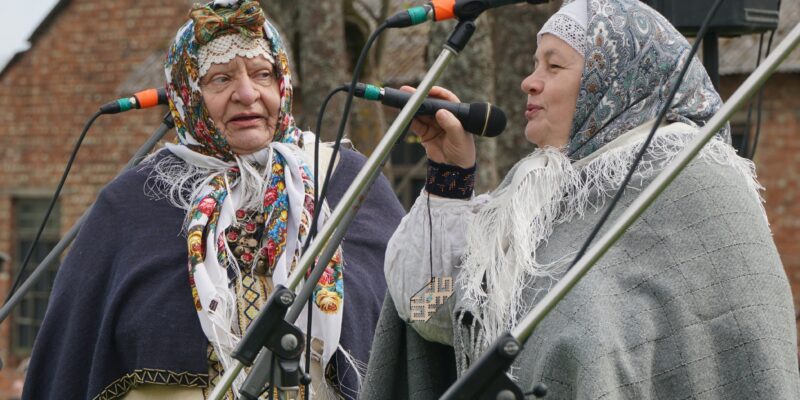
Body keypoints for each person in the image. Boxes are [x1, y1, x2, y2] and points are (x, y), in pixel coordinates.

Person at [363, 0, 800, 398]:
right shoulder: (539, 195)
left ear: (616, 79)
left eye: (554, 66)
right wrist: (450, 177)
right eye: (535, 64)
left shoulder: (698, 184)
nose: (528, 82)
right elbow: (429, 309)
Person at [22, 1, 405, 399]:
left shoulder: (346, 182)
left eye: (262, 74)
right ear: (186, 94)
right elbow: (70, 358)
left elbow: (421, 306)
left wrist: (444, 181)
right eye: (220, 79)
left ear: (282, 83)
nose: (247, 94)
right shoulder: (134, 204)